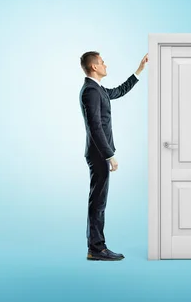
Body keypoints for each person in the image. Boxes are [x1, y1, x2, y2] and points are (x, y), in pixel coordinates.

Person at [79, 51, 148, 261]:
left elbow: (119, 91)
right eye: (102, 62)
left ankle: (96, 247)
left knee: (99, 201)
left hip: (101, 153)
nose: (105, 64)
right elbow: (95, 127)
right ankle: (97, 248)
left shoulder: (97, 89)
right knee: (98, 202)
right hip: (99, 154)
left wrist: (139, 71)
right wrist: (109, 155)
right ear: (94, 67)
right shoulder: (90, 91)